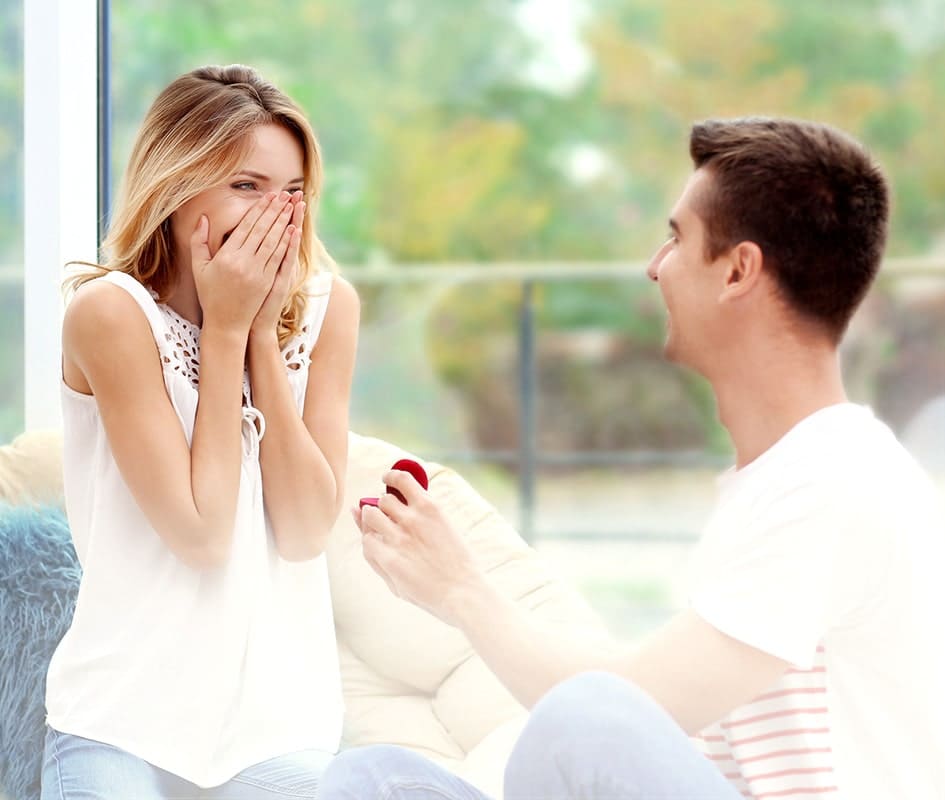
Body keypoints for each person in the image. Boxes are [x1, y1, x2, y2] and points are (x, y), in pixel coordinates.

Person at [319, 118, 945, 799]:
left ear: (737, 270)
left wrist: (458, 589)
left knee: (585, 719)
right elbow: (654, 693)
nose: (654, 266)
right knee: (372, 777)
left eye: (676, 238)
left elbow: (629, 710)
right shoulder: (782, 478)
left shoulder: (835, 483)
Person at [43, 65, 359, 799]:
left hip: (280, 729)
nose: (275, 215)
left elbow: (308, 529)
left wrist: (259, 341)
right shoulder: (109, 314)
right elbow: (201, 534)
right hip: (121, 721)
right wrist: (225, 332)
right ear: (178, 191)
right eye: (246, 187)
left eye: (292, 193)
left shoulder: (327, 307)